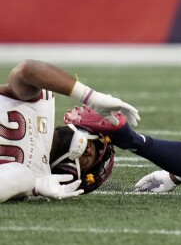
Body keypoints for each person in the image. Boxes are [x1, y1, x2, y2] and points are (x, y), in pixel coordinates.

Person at [0, 60, 140, 202]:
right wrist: (90, 97)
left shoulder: (37, 177)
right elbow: (28, 70)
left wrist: (33, 187)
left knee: (24, 176)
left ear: (69, 173)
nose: (88, 150)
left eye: (87, 161)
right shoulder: (39, 104)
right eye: (93, 144)